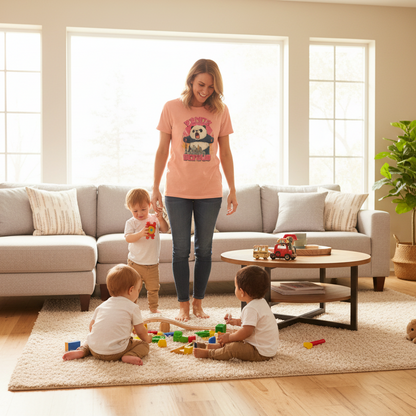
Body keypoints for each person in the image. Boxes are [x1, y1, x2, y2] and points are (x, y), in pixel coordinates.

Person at [152, 59, 238, 322]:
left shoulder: (220, 110)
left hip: (210, 191)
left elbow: (225, 152)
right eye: (201, 84)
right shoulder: (171, 108)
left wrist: (232, 188)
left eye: (211, 87)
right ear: (191, 81)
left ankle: (198, 303)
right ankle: (182, 306)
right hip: (176, 190)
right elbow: (162, 149)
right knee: (180, 250)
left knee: (204, 250)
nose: (205, 90)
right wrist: (154, 187)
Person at [62, 264, 152, 366]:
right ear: (131, 290)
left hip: (95, 350)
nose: (138, 292)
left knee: (90, 338)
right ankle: (130, 355)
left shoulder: (102, 306)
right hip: (117, 352)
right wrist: (148, 339)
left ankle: (83, 350)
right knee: (143, 345)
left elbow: (91, 328)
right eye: (138, 289)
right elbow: (140, 332)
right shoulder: (133, 307)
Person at [193, 265, 279, 361]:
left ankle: (210, 353)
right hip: (266, 347)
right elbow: (250, 323)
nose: (235, 289)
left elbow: (246, 332)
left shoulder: (251, 309)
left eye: (236, 287)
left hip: (260, 351)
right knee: (235, 336)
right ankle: (215, 347)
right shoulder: (261, 302)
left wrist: (229, 338)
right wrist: (235, 321)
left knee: (233, 347)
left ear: (241, 292)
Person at [124, 188, 169, 313]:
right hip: (135, 262)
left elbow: (165, 229)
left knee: (153, 288)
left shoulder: (154, 219)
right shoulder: (131, 223)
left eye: (143, 209)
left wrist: (160, 219)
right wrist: (139, 234)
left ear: (150, 206)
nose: (140, 213)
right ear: (129, 209)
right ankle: (132, 309)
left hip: (152, 263)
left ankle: (153, 309)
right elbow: (128, 238)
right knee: (133, 288)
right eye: (135, 211)